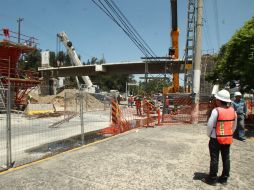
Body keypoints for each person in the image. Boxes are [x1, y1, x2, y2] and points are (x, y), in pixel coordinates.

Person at [203, 89, 237, 186]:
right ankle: (224, 179)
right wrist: (229, 133)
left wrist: (209, 134)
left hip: (215, 138)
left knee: (214, 158)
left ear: (218, 100)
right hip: (227, 138)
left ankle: (212, 179)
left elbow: (210, 125)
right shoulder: (233, 111)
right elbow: (234, 126)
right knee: (226, 158)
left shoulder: (216, 111)